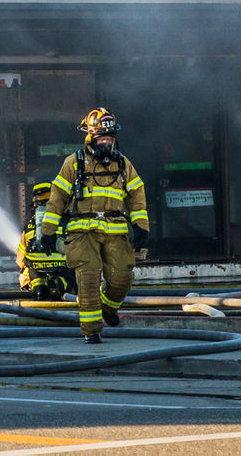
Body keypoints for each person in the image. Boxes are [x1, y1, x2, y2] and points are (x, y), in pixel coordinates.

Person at [38, 107, 149, 344]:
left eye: (109, 138)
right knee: (88, 281)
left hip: (115, 231)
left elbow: (136, 196)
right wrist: (47, 233)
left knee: (122, 279)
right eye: (101, 138)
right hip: (81, 234)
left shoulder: (123, 164)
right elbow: (57, 199)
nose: (106, 142)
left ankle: (108, 308)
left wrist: (140, 226)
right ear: (91, 138)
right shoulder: (74, 163)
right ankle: (91, 331)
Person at [15, 182, 75, 300]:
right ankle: (60, 284)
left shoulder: (30, 222)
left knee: (32, 268)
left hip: (36, 265)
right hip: (61, 265)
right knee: (75, 275)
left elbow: (20, 257)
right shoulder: (65, 217)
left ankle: (39, 288)